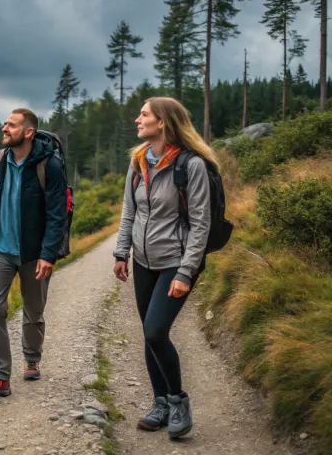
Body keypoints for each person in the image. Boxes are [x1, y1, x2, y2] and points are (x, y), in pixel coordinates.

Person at [112, 96, 215, 439]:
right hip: (142, 261)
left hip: (175, 261)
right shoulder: (138, 161)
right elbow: (130, 211)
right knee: (149, 333)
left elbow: (201, 224)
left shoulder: (191, 166)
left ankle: (178, 402)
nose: (137, 119)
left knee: (156, 331)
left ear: (163, 122)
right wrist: (120, 252)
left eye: (144, 115)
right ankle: (159, 403)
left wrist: (186, 272)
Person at [0, 108, 66, 400]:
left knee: (34, 310)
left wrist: (48, 254)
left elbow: (56, 214)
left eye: (11, 126)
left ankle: (32, 356)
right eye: (5, 124)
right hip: (0, 250)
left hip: (34, 253)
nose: (4, 129)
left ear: (28, 132)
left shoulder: (48, 165)